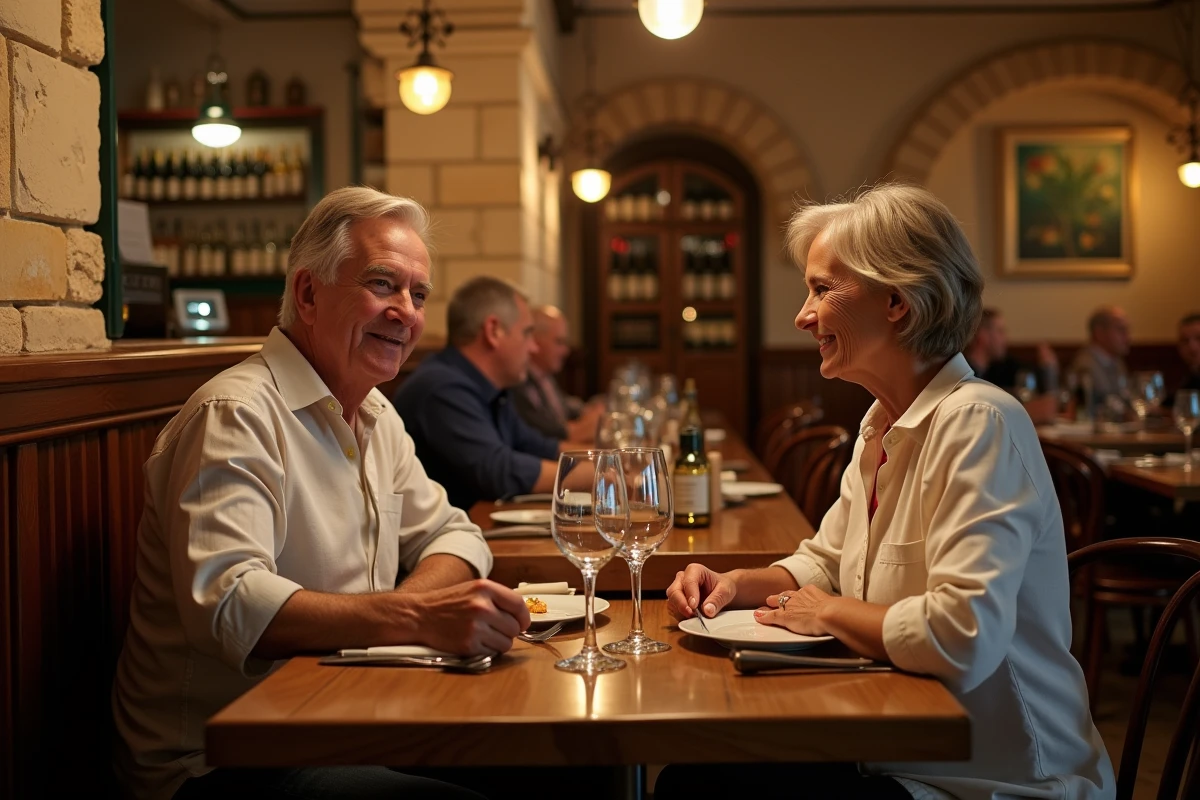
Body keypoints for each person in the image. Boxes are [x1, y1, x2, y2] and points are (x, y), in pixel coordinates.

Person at [659, 185, 1114, 800]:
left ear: (896, 301)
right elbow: (824, 560)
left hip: (994, 779)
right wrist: (737, 583)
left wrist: (826, 611)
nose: (803, 315)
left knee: (701, 787)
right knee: (695, 775)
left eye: (823, 289)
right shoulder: (882, 422)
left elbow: (963, 636)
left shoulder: (979, 420)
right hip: (894, 746)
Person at [112, 187, 530, 800]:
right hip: (215, 766)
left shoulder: (376, 414)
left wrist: (406, 620)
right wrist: (414, 618)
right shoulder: (237, 412)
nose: (407, 313)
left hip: (346, 717)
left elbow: (457, 535)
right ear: (308, 293)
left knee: (551, 767)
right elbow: (230, 604)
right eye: (383, 285)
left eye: (419, 295)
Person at [393, 277, 562, 510]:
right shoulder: (441, 387)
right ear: (493, 331)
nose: (533, 348)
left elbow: (539, 447)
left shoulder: (493, 389)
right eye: (527, 333)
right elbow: (497, 471)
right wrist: (604, 474)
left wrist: (607, 461)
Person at [512, 305, 603, 440]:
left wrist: (588, 410)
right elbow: (545, 432)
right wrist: (585, 426)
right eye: (559, 342)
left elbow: (562, 408)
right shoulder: (519, 380)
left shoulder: (544, 375)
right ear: (536, 340)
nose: (566, 351)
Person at [964, 307, 1059, 422]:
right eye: (1000, 331)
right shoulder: (966, 374)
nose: (1005, 339)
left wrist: (1047, 369)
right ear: (983, 335)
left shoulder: (999, 368)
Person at [1068, 305, 1132, 409]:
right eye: (1120, 330)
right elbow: (1102, 404)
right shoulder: (1085, 365)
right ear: (1099, 333)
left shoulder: (1117, 361)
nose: (1127, 336)